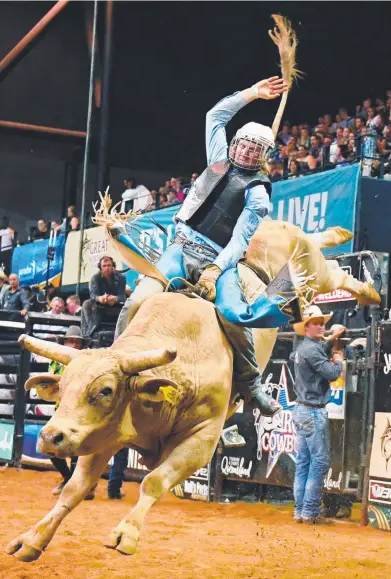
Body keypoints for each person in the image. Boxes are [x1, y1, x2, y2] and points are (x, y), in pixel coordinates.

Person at [114, 76, 302, 417]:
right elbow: (214, 117)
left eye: (254, 149)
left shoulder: (258, 194)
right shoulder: (218, 158)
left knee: (235, 317)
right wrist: (251, 95)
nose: (246, 151)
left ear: (262, 156)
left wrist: (216, 270)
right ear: (235, 144)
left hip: (219, 260)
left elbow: (240, 239)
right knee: (136, 302)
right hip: (180, 249)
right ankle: (114, 360)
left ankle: (252, 384)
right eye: (243, 144)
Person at [291, 305, 345, 525]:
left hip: (302, 409)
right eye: (317, 323)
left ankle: (300, 510)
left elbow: (319, 348)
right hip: (312, 411)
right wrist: (339, 358)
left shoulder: (304, 347)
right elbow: (332, 373)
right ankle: (310, 510)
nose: (321, 326)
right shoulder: (311, 350)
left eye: (322, 323)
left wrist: (332, 337)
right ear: (307, 327)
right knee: (319, 461)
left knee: (304, 461)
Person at [47, 326, 94, 498]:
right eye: (70, 341)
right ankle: (68, 479)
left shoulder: (88, 363)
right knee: (49, 446)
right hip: (60, 411)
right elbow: (50, 385)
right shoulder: (54, 362)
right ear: (64, 342)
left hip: (81, 413)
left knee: (79, 448)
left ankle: (81, 486)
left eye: (77, 342)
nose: (73, 345)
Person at [81, 256, 127, 338]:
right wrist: (100, 298)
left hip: (116, 305)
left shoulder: (121, 277)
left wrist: (115, 298)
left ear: (113, 266)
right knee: (86, 304)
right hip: (100, 304)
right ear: (100, 267)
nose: (107, 268)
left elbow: (122, 296)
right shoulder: (96, 277)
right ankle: (90, 332)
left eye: (109, 265)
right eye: (104, 266)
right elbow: (93, 295)